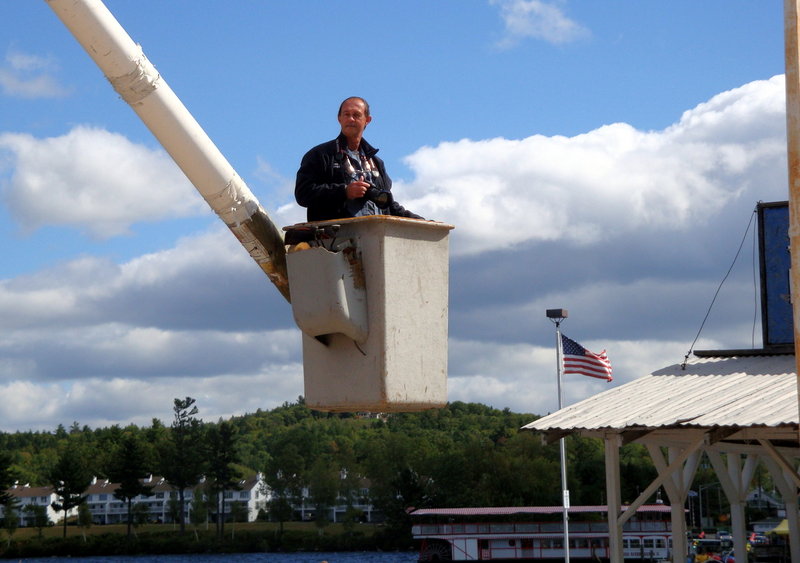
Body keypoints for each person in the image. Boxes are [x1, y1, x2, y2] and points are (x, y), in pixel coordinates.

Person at [295, 96, 423, 221]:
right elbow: (303, 194)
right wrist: (344, 191)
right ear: (339, 118)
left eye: (356, 115)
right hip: (335, 238)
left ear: (367, 120)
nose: (351, 119)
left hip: (375, 236)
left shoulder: (376, 163)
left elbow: (388, 205)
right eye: (346, 114)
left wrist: (421, 222)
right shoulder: (320, 155)